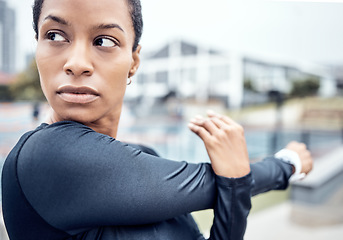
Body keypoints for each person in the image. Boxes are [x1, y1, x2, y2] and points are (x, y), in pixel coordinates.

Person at [1, 0, 313, 239]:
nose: (77, 63)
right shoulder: (45, 157)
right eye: (55, 35)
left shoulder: (147, 158)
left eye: (104, 41)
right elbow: (213, 184)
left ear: (133, 61)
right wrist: (288, 164)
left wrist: (235, 183)